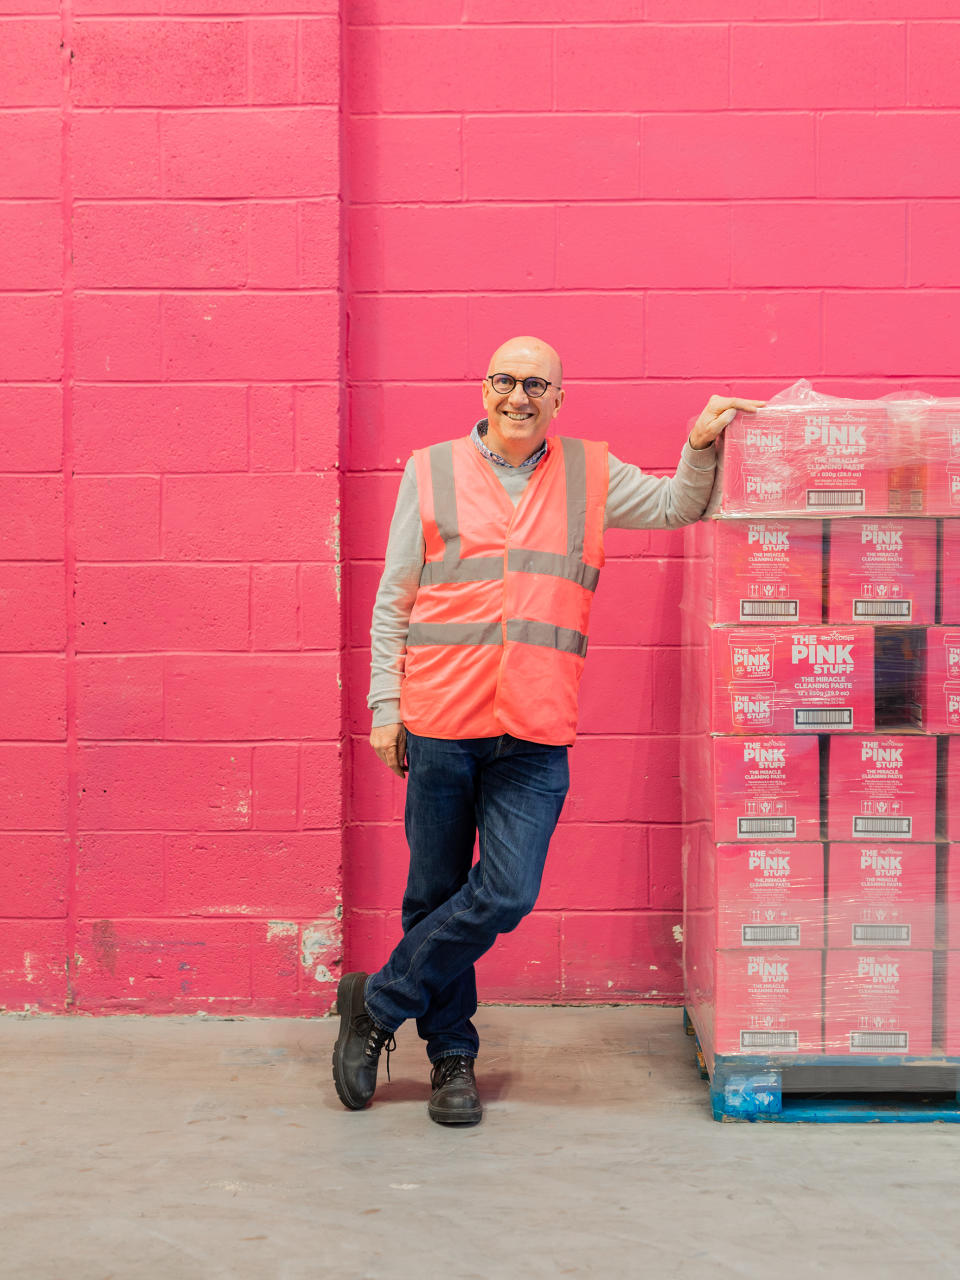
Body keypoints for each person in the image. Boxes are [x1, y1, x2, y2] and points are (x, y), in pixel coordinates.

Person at [332, 335, 765, 1125]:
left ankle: (378, 1001)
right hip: (440, 718)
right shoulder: (428, 471)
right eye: (505, 379)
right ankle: (452, 1060)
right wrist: (384, 709)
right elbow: (395, 597)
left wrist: (699, 443)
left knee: (504, 891)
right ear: (484, 387)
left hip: (534, 727)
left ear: (558, 400)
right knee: (432, 895)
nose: (518, 396)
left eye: (537, 384)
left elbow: (678, 505)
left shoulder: (589, 474)